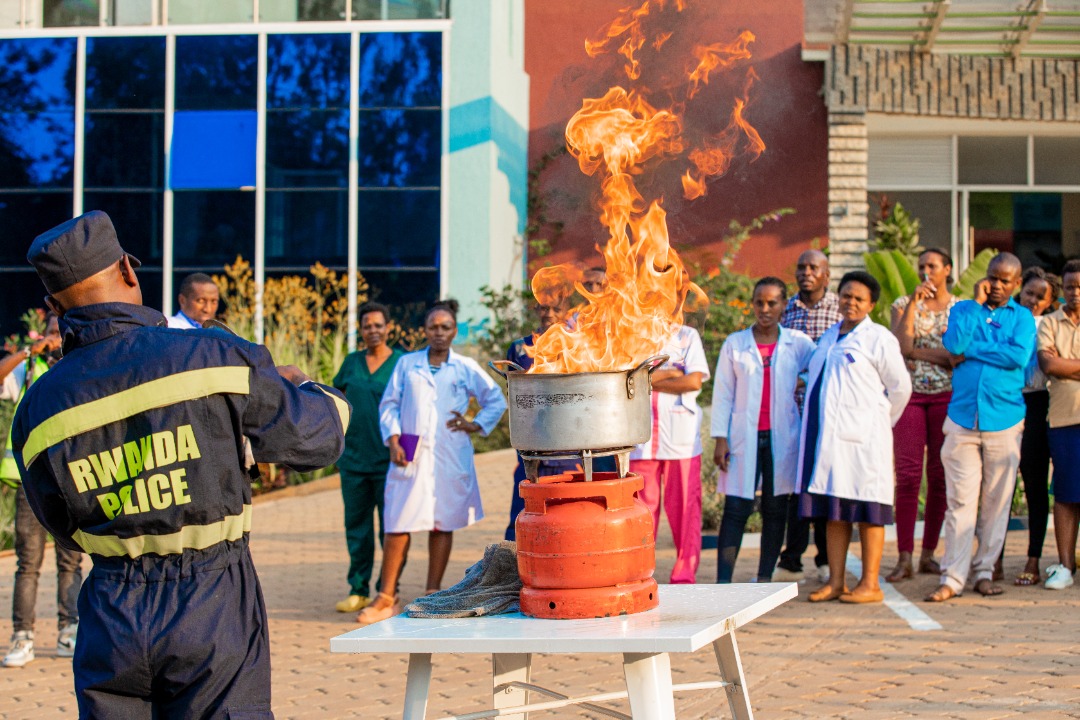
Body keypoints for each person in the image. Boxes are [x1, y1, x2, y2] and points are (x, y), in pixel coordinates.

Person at [11, 210, 349, 717]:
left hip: (109, 612)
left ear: (53, 306)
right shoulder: (213, 355)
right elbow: (317, 441)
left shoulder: (37, 409)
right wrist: (306, 386)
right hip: (210, 602)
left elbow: (61, 525)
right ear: (128, 270)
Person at [358, 300, 507, 625]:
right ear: (424, 330)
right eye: (433, 327)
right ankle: (386, 596)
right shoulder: (407, 364)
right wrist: (393, 439)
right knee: (398, 521)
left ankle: (432, 592)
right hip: (410, 449)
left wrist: (475, 425)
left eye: (445, 327)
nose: (439, 333)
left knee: (443, 520)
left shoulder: (465, 366)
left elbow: (495, 398)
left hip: (449, 453)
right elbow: (389, 404)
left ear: (454, 331)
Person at [926, 252, 1035, 602]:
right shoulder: (963, 309)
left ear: (1016, 283)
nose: (997, 285)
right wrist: (975, 307)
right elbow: (955, 345)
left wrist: (974, 350)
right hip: (962, 419)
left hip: (1004, 420)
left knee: (996, 503)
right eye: (993, 277)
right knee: (960, 502)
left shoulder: (1022, 318)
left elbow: (1018, 357)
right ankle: (952, 578)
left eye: (1005, 280)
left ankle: (985, 572)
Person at [798, 271, 911, 603]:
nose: (851, 302)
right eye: (846, 296)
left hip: (865, 441)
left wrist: (878, 422)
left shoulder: (878, 338)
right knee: (835, 510)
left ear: (871, 305)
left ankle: (871, 584)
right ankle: (836, 582)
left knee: (868, 510)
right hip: (830, 442)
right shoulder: (829, 336)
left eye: (859, 299)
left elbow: (901, 388)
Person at [711, 278, 815, 583]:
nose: (765, 309)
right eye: (759, 302)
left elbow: (819, 368)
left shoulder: (798, 342)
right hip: (743, 437)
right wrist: (720, 439)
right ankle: (723, 581)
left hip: (782, 437)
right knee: (736, 507)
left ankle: (764, 578)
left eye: (772, 303)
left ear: (784, 305)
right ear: (752, 304)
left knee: (775, 507)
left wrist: (802, 381)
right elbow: (723, 394)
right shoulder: (735, 343)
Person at [0, 313, 83, 668]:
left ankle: (69, 630)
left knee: (72, 559)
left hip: (72, 478)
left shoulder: (80, 366)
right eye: (51, 332)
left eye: (62, 332)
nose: (56, 338)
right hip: (31, 481)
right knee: (28, 561)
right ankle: (23, 636)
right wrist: (27, 352)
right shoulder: (30, 368)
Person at [885, 248, 958, 582]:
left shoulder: (959, 308)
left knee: (940, 476)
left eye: (933, 265)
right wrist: (914, 304)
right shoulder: (902, 305)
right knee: (908, 476)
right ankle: (904, 557)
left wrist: (917, 352)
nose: (926, 271)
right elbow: (900, 347)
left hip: (947, 396)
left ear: (948, 270)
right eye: (922, 266)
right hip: (910, 398)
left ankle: (929, 554)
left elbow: (956, 357)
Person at [331, 302, 405, 613]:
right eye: (367, 326)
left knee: (391, 529)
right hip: (354, 461)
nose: (373, 330)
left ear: (389, 328)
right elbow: (334, 401)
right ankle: (358, 589)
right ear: (360, 330)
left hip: (391, 463)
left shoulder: (402, 363)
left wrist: (408, 451)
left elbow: (414, 409)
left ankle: (388, 590)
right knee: (357, 528)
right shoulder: (352, 362)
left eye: (378, 325)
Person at [775, 249, 842, 583]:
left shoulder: (839, 310)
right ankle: (791, 559)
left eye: (814, 267)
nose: (806, 272)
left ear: (826, 275)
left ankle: (826, 559)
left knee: (825, 485)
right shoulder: (784, 310)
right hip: (791, 411)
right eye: (801, 267)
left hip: (828, 413)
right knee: (795, 488)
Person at [629, 319, 711, 584]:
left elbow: (693, 381)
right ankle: (639, 575)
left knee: (686, 510)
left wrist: (649, 379)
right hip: (642, 438)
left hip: (681, 439)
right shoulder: (633, 332)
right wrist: (672, 373)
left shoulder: (687, 336)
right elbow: (627, 381)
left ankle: (684, 576)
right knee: (641, 512)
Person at [504, 296, 576, 541]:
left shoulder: (580, 345)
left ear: (567, 311)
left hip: (568, 446)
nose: (549, 313)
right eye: (544, 308)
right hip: (530, 443)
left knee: (565, 513)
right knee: (524, 509)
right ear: (536, 309)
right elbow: (513, 392)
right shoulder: (519, 348)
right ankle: (517, 556)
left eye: (557, 308)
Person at [1007, 268, 1060, 586]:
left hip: (1039, 404)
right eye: (1029, 293)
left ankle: (1033, 558)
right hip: (1005, 402)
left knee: (1035, 483)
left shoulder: (1049, 326)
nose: (1034, 300)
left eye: (1041, 297)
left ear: (1050, 302)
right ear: (1019, 290)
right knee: (999, 485)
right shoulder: (1005, 319)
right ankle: (993, 558)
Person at [1037, 260, 1080, 590]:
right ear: (1061, 290)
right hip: (1064, 418)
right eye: (1070, 287)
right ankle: (1065, 566)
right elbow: (1048, 364)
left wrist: (1067, 366)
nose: (1075, 292)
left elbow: (1059, 364)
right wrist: (1058, 365)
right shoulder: (1049, 322)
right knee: (1065, 493)